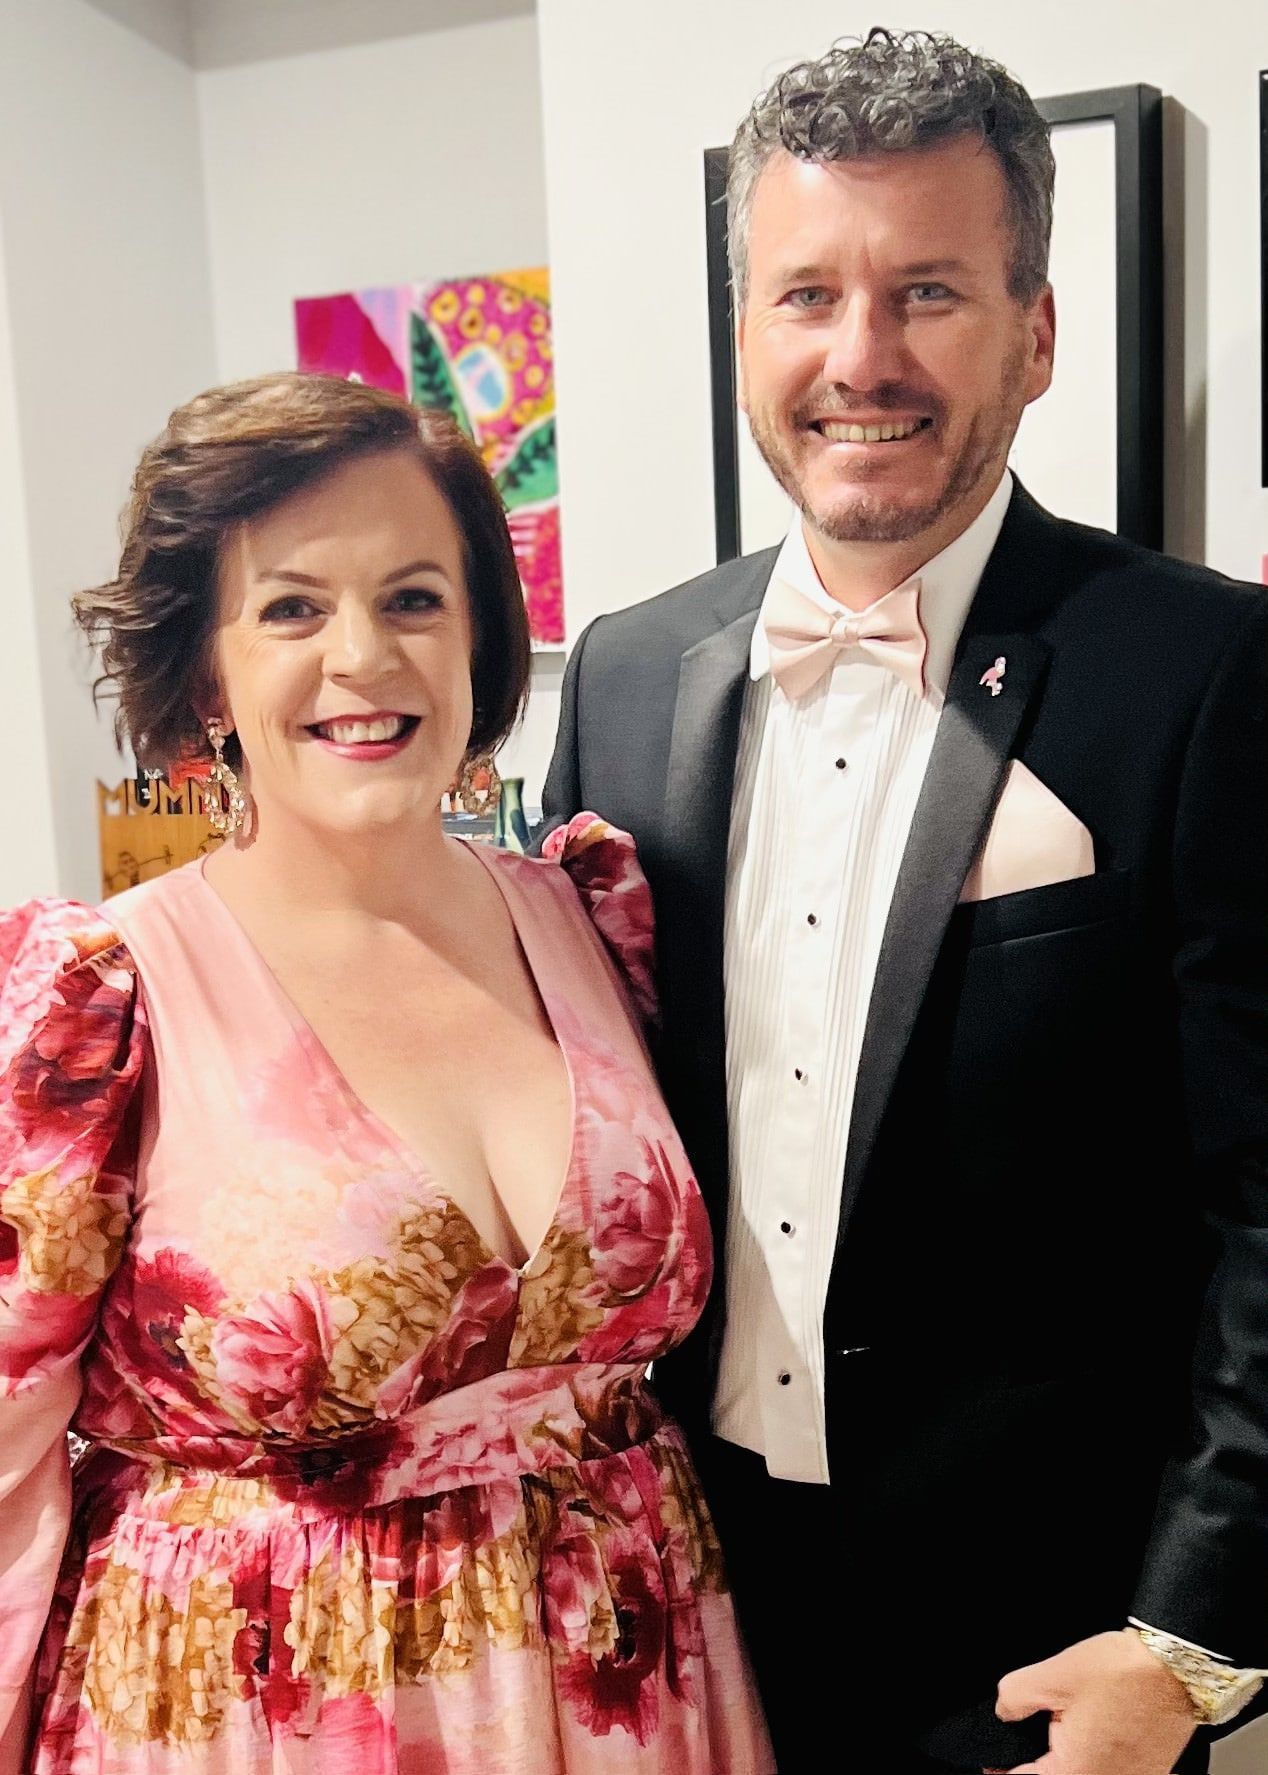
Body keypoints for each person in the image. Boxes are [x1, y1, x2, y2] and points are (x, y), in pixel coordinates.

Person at [541, 28, 1268, 1775]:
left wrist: (1193, 1639)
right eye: (807, 295)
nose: (859, 357)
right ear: (745, 331)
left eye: (926, 292)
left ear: (1035, 332)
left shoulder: (1209, 671)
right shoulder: (625, 673)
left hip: (1047, 1651)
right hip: (673, 1606)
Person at [0, 373, 773, 1774]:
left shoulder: (592, 916)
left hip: (626, 1689)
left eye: (414, 599)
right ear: (206, 675)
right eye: (292, 609)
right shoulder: (102, 994)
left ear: (480, 635)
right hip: (267, 1713)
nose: (362, 657)